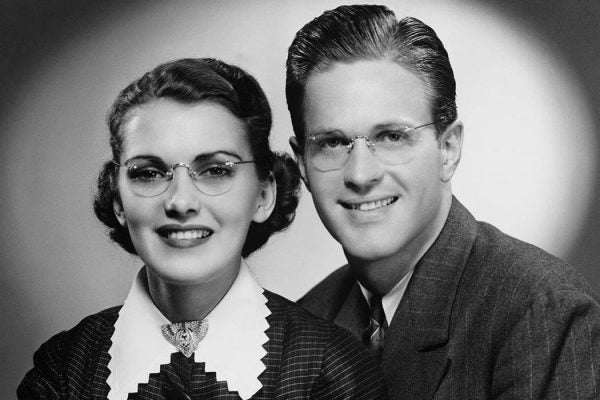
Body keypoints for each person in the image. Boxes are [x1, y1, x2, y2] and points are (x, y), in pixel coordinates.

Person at [18, 58, 387, 399]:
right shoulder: (66, 369)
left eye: (215, 171)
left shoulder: (333, 371)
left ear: (263, 195)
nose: (180, 201)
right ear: (117, 200)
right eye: (148, 173)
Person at [286, 4, 600, 399]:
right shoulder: (300, 327)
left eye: (392, 137)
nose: (360, 174)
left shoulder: (539, 310)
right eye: (332, 143)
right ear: (302, 164)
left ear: (448, 148)